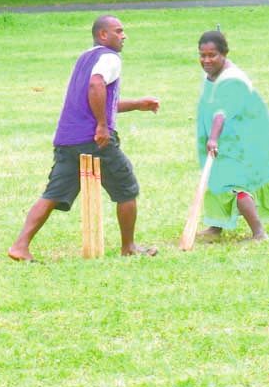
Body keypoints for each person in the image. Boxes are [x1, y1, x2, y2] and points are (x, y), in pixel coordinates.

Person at [8, 15, 161, 262]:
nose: (124, 36)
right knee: (127, 189)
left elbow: (95, 98)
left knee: (53, 194)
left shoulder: (84, 58)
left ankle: (20, 245)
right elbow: (96, 86)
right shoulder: (110, 58)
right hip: (95, 140)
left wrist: (137, 105)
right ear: (103, 35)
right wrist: (102, 126)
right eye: (118, 31)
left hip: (67, 140)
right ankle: (129, 246)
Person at [194, 30, 269, 242]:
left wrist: (212, 138)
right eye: (203, 55)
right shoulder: (211, 74)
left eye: (212, 55)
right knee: (217, 179)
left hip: (242, 140)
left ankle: (259, 232)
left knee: (236, 185)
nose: (207, 60)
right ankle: (216, 226)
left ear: (224, 54)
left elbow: (222, 112)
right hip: (223, 138)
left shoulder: (233, 79)